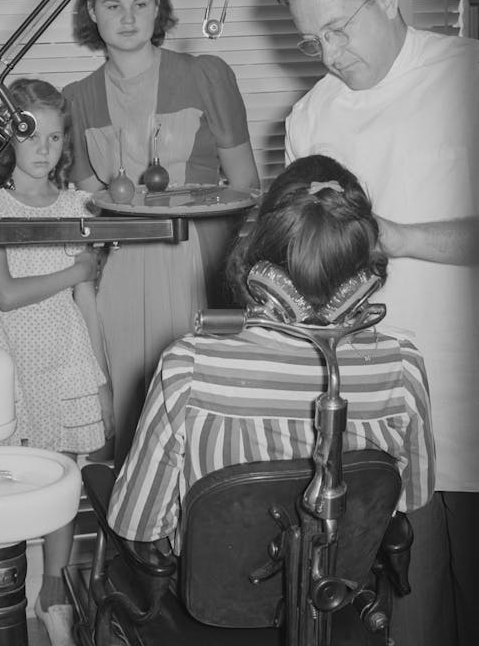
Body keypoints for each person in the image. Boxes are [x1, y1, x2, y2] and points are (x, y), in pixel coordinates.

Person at [277, 0, 479, 646]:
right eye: (312, 41)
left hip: (470, 399)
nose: (329, 56)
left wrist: (401, 239)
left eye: (338, 29)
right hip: (381, 420)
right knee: (408, 619)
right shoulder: (310, 118)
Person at [107, 155, 435, 567]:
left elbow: (137, 524)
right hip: (340, 601)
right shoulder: (403, 368)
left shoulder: (187, 367)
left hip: (212, 612)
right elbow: (411, 498)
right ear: (362, 273)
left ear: (261, 258)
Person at [63, 0, 259, 466]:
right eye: (112, 5)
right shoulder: (76, 100)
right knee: (135, 419)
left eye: (141, 4)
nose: (127, 18)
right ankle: (139, 540)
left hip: (198, 264)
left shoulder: (205, 75)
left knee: (201, 422)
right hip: (121, 274)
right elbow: (88, 204)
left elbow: (245, 185)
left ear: (158, 8)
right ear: (90, 12)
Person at [0, 77, 110, 646]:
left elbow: (88, 303)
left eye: (55, 136)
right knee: (8, 478)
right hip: (9, 365)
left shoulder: (78, 206)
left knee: (62, 481)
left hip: (67, 359)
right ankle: (7, 595)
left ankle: (54, 591)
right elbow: (3, 293)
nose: (45, 148)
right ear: (6, 139)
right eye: (31, 135)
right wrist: (76, 271)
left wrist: (100, 380)